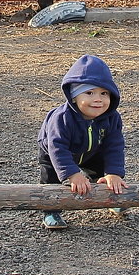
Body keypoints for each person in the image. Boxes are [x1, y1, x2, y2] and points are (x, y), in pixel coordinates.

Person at [36, 54, 127, 229]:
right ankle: (51, 210)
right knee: (51, 179)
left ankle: (111, 198)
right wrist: (72, 174)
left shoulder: (112, 118)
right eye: (89, 93)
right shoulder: (62, 118)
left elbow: (114, 145)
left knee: (103, 172)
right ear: (74, 97)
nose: (98, 99)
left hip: (93, 148)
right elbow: (57, 148)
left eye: (104, 93)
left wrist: (114, 173)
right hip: (55, 151)